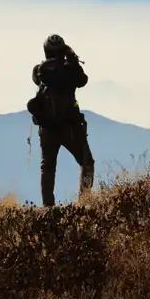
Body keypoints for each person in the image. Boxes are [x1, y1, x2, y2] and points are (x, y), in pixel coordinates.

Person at [27, 34, 94, 207]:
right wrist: (72, 57)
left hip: (48, 128)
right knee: (86, 162)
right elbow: (83, 80)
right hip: (70, 127)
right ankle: (84, 203)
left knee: (48, 167)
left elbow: (36, 78)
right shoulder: (69, 69)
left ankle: (48, 209)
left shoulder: (40, 70)